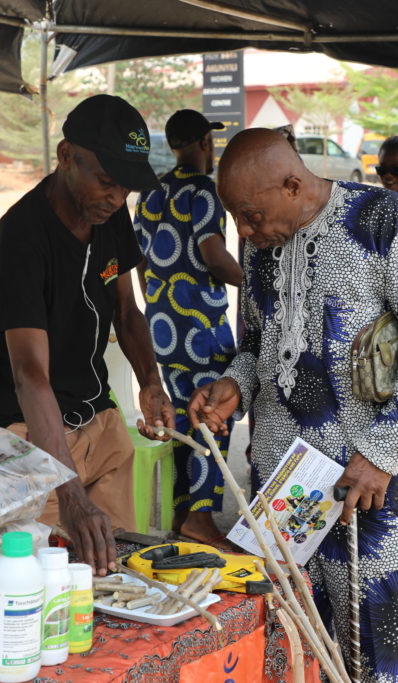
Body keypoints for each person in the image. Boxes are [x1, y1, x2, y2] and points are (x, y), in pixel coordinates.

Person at [188, 128, 398, 681]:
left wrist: (381, 453)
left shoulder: (384, 220)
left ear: (292, 185)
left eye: (251, 215)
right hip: (285, 496)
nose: (243, 229)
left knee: (378, 663)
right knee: (295, 654)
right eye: (236, 216)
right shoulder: (261, 245)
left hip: (374, 491)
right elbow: (257, 346)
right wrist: (234, 385)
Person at [0, 94, 176, 576]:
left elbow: (127, 311)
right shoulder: (20, 237)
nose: (115, 198)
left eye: (124, 188)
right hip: (31, 441)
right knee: (43, 587)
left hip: (99, 427)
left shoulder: (110, 216)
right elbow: (30, 375)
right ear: (66, 156)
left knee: (113, 579)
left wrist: (151, 381)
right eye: (106, 181)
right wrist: (67, 491)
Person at [133, 109, 242, 547]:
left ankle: (183, 515)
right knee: (212, 416)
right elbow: (214, 255)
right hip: (201, 326)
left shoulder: (149, 192)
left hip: (162, 324)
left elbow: (139, 260)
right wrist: (255, 283)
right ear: (203, 142)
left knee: (177, 417)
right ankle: (200, 519)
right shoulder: (204, 192)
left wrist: (155, 303)